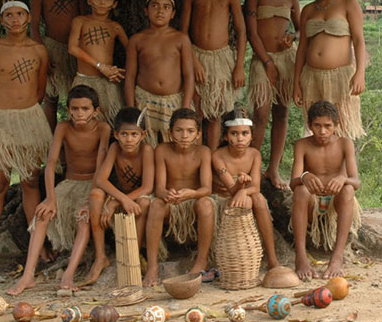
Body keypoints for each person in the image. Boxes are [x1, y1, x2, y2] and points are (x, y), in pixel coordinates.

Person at [0, 0, 54, 275]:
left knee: (31, 180)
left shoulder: (39, 50)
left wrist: (25, 116)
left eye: (20, 14)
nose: (15, 19)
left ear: (28, 17)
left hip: (30, 120)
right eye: (8, 15)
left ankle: (38, 243)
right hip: (0, 120)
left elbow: (41, 89)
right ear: (2, 20)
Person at [8, 85, 110, 295]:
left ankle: (69, 274)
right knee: (42, 215)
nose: (79, 113)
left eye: (85, 108)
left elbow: (101, 167)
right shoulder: (63, 127)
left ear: (95, 111)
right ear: (68, 110)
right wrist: (50, 199)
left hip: (94, 185)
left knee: (84, 218)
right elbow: (51, 163)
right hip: (69, 184)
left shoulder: (103, 129)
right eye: (75, 108)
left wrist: (90, 200)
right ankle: (28, 275)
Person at [180, 0, 246, 149]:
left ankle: (212, 157)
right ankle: (195, 157)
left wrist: (239, 66)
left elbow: (242, 32)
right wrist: (194, 61)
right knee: (197, 111)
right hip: (196, 55)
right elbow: (183, 32)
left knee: (215, 113)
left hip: (221, 58)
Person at [244, 0, 300, 189]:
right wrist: (267, 62)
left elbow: (301, 30)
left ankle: (273, 169)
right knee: (261, 113)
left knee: (282, 111)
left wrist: (292, 36)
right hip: (262, 59)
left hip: (287, 59)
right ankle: (251, 167)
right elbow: (251, 33)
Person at [293, 0, 366, 140]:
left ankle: (342, 169)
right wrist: (296, 83)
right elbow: (301, 47)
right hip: (311, 76)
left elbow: (358, 40)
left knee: (340, 128)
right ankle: (315, 168)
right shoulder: (308, 9)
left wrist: (360, 73)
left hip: (340, 77)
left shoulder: (349, 3)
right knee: (317, 129)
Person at [289, 101, 361, 280]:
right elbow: (293, 182)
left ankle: (337, 258)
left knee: (348, 190)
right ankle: (301, 258)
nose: (322, 131)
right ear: (309, 125)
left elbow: (356, 181)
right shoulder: (302, 145)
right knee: (300, 191)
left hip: (336, 201)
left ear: (336, 125)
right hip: (311, 202)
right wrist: (305, 176)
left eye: (328, 126)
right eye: (317, 126)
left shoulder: (345, 144)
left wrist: (343, 178)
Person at [143, 108, 214, 286]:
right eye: (179, 130)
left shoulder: (203, 152)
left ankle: (201, 261)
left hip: (193, 201)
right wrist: (167, 194)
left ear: (198, 134)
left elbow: (207, 189)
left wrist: (192, 193)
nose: (184, 135)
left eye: (190, 131)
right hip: (171, 202)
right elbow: (158, 188)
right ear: (170, 132)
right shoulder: (162, 150)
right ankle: (152, 266)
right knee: (156, 205)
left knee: (206, 204)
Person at [87, 107, 155, 285]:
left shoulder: (146, 150)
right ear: (116, 134)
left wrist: (119, 202)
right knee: (95, 195)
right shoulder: (115, 148)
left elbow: (148, 187)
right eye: (124, 134)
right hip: (119, 194)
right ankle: (100, 256)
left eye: (134, 134)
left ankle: (134, 253)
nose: (129, 139)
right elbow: (101, 180)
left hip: (135, 196)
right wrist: (119, 200)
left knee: (144, 203)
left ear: (143, 134)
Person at [212, 108, 281, 273]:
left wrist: (243, 190)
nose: (240, 138)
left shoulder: (254, 155)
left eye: (244, 133)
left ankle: (272, 259)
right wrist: (241, 187)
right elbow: (230, 189)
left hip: (245, 195)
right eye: (234, 134)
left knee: (258, 199)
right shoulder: (217, 156)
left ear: (251, 136)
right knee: (253, 198)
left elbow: (255, 187)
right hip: (223, 198)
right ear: (226, 136)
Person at [124, 0, 194, 147]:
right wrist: (130, 107)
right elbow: (130, 76)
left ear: (173, 14)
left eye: (166, 7)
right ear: (146, 11)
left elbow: (189, 75)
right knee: (146, 145)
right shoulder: (137, 40)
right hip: (144, 100)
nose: (160, 11)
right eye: (154, 6)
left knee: (175, 145)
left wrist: (185, 106)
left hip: (174, 100)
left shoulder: (180, 39)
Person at [30, 0, 84, 131]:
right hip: (51, 47)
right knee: (50, 98)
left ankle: (74, 140)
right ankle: (51, 144)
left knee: (77, 97)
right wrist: (42, 54)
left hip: (74, 49)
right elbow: (35, 26)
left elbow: (85, 23)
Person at [67, 0, 129, 126]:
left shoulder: (115, 27)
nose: (102, 2)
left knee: (110, 123)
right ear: (89, 0)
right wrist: (100, 66)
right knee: (83, 122)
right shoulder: (80, 21)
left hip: (108, 82)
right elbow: (72, 48)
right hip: (84, 80)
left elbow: (131, 51)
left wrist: (120, 72)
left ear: (114, 4)